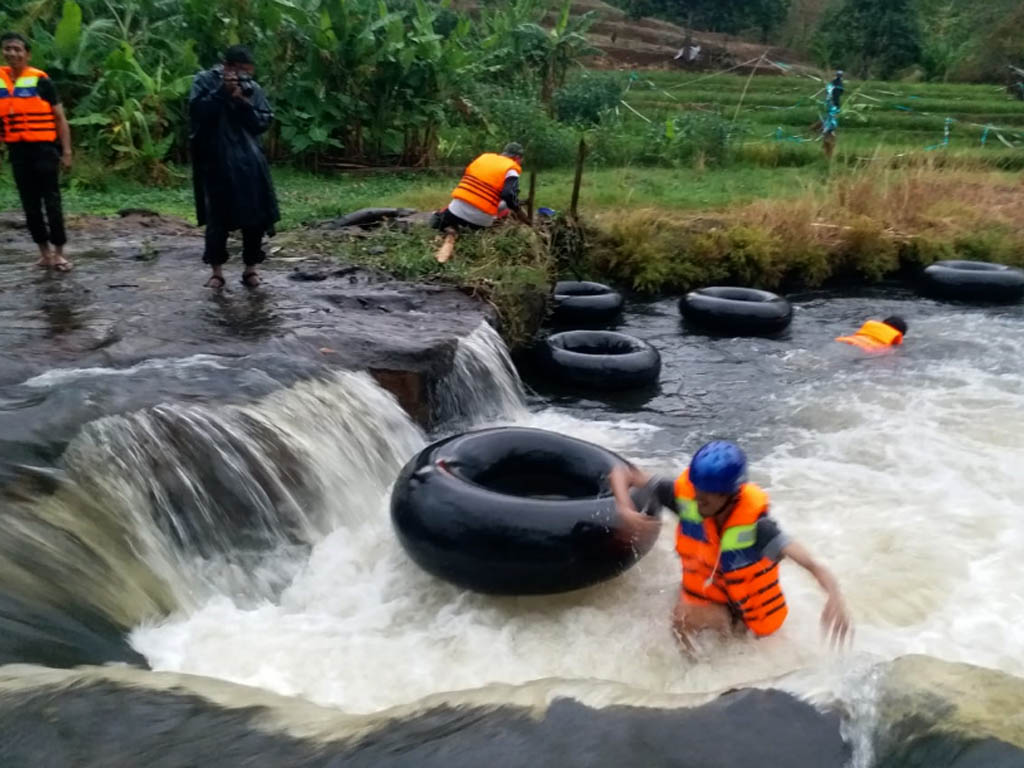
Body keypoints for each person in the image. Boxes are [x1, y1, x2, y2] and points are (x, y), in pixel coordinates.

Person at [610, 440, 851, 654]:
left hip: (746, 617)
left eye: (708, 495)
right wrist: (624, 507)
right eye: (697, 490)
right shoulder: (687, 498)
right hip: (714, 595)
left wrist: (835, 597)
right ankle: (694, 666)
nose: (698, 499)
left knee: (682, 616)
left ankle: (706, 669)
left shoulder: (759, 529)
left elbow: (812, 565)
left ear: (731, 495)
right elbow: (623, 473)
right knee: (675, 608)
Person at [189, 45, 279, 289]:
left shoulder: (252, 88)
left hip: (250, 162)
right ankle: (216, 272)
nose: (244, 77)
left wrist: (242, 102)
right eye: (240, 71)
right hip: (215, 161)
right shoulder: (204, 82)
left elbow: (262, 122)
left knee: (255, 217)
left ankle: (251, 268)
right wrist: (221, 93)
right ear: (228, 66)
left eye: (248, 73)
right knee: (217, 218)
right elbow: (196, 112)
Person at [0, 32, 73, 271]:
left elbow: (60, 118)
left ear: (27, 54)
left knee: (51, 201)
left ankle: (59, 253)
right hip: (17, 150)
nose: (12, 53)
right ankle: (44, 253)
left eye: (17, 49)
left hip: (44, 149)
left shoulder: (42, 81)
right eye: (8, 49)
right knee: (29, 204)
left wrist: (67, 151)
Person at [437, 143, 529, 231]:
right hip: (479, 223)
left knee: (438, 219)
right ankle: (493, 226)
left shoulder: (484, 158)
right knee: (506, 206)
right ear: (517, 158)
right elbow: (508, 195)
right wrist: (518, 210)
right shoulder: (511, 170)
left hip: (455, 212)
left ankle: (448, 226)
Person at [835, 315, 907, 354]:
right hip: (867, 350)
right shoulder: (895, 338)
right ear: (899, 333)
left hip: (847, 341)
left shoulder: (872, 327)